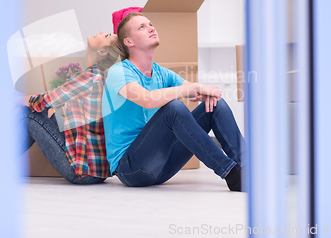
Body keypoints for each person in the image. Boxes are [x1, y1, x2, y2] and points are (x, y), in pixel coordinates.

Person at [102, 12, 246, 191]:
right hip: (131, 168)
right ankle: (232, 174)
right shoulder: (119, 72)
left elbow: (193, 90)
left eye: (151, 24)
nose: (151, 28)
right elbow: (147, 99)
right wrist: (191, 88)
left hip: (163, 164)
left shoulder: (161, 73)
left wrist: (203, 92)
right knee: (173, 108)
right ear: (129, 42)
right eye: (142, 27)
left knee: (215, 105)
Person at [17, 30, 120, 184]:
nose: (101, 32)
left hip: (83, 172)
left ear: (102, 51)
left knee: (28, 113)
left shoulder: (91, 76)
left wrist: (18, 99)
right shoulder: (99, 76)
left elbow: (48, 99)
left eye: (105, 36)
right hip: (95, 171)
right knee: (40, 110)